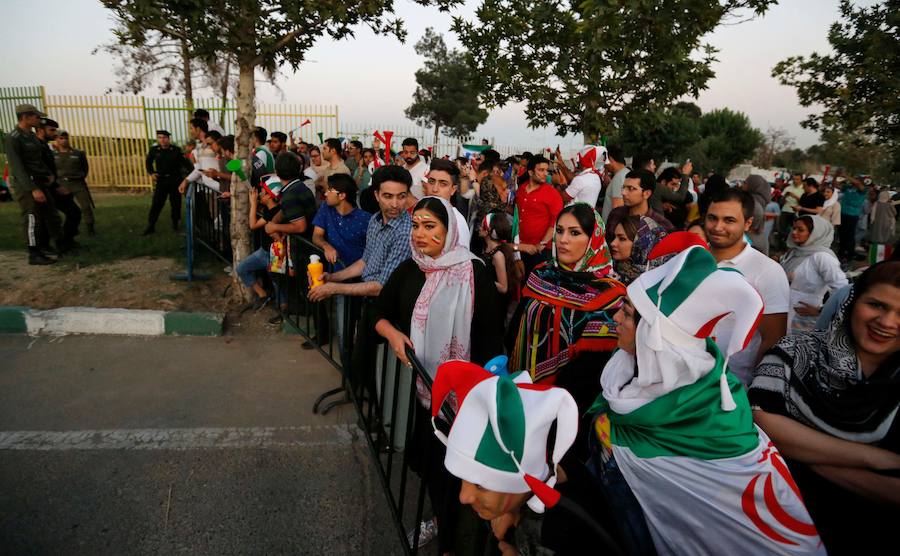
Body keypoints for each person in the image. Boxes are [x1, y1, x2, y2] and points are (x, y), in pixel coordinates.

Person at [590, 240, 823, 555]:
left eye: (628, 313)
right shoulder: (631, 372)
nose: (615, 318)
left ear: (654, 337)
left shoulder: (713, 417)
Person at [373, 196, 501, 556]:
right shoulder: (411, 268)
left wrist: (480, 397)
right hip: (421, 395)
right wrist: (393, 334)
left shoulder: (474, 273)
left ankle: (453, 541)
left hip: (464, 400)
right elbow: (378, 313)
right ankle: (443, 526)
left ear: (451, 231)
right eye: (416, 225)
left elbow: (491, 340)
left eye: (430, 226)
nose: (419, 234)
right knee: (431, 467)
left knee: (456, 475)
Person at [750, 261, 900, 554]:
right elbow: (761, 422)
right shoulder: (795, 352)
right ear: (852, 301)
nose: (887, 322)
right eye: (876, 305)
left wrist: (803, 453)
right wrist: (877, 459)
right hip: (778, 527)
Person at [506, 203, 625, 459]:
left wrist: (549, 404)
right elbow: (515, 328)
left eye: (574, 233)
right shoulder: (541, 275)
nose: (563, 240)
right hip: (520, 392)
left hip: (566, 409)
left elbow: (590, 372)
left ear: (593, 239)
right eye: (559, 231)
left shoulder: (610, 295)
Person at [705, 188, 790, 386]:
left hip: (732, 385)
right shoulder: (692, 259)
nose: (718, 227)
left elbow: (773, 339)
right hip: (683, 378)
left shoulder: (767, 271)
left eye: (729, 220)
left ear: (748, 223)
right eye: (712, 218)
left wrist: (754, 388)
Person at [4, 104, 61, 264]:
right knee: (31, 217)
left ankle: (46, 246)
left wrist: (48, 174)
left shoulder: (31, 136)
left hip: (40, 180)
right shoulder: (13, 138)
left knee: (50, 214)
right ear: (25, 117)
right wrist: (33, 189)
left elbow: (37, 159)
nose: (39, 119)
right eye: (36, 116)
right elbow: (17, 167)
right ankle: (34, 253)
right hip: (27, 184)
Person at [780, 215, 848, 332]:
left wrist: (821, 310)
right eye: (794, 228)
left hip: (803, 317)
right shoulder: (794, 252)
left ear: (815, 234)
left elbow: (843, 289)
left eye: (800, 230)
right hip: (783, 310)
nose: (794, 232)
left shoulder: (822, 257)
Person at [235, 176, 283, 310]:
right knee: (241, 269)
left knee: (278, 283)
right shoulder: (269, 208)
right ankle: (263, 294)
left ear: (269, 196)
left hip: (273, 255)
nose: (260, 193)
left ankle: (282, 308)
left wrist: (253, 204)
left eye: (263, 192)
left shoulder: (275, 211)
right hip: (263, 251)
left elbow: (253, 225)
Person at [513, 155, 564, 277]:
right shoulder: (521, 190)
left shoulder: (552, 194)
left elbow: (556, 221)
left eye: (546, 170)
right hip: (520, 248)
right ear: (530, 172)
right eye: (541, 170)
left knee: (538, 283)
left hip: (540, 251)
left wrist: (542, 244)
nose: (545, 173)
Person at [35, 118, 81, 250]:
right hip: (42, 187)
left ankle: (67, 240)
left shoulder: (45, 145)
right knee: (46, 218)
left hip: (52, 186)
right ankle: (44, 246)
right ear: (41, 130)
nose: (55, 133)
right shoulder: (35, 146)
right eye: (51, 130)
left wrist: (56, 185)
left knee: (74, 212)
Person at [479, 211, 523, 330]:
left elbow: (503, 287)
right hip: (488, 300)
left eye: (482, 225)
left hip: (494, 306)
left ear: (488, 231)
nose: (479, 228)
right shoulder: (487, 248)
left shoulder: (498, 255)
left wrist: (482, 280)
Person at [604, 169, 673, 244]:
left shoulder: (661, 225)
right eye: (623, 187)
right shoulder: (616, 214)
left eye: (631, 188)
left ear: (647, 193)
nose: (623, 192)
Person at [144, 130, 191, 235]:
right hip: (161, 180)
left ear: (168, 139)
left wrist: (189, 175)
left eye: (164, 137)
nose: (162, 140)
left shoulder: (176, 150)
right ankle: (151, 225)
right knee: (157, 203)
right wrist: (151, 173)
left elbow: (186, 164)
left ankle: (175, 225)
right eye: (160, 137)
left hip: (175, 180)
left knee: (175, 203)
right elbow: (148, 162)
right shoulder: (154, 150)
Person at [53, 131, 95, 236]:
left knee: (86, 206)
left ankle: (90, 228)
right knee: (67, 208)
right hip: (61, 183)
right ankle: (70, 228)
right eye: (61, 138)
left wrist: (80, 177)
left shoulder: (78, 153)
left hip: (77, 183)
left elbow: (85, 168)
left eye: (66, 138)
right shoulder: (53, 154)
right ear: (56, 139)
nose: (64, 140)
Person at [422, 158, 471, 247]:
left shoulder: (457, 223)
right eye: (431, 182)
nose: (435, 189)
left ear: (453, 189)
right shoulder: (421, 213)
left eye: (443, 184)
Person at [608, 215, 670, 285]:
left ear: (641, 243)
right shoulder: (610, 269)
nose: (613, 243)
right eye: (614, 237)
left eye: (622, 239)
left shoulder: (663, 278)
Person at [837, 175, 867, 262]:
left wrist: (844, 175)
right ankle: (841, 252)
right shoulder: (848, 187)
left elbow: (857, 183)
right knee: (842, 234)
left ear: (860, 181)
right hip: (842, 213)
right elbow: (835, 185)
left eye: (856, 179)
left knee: (849, 235)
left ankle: (850, 254)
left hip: (852, 215)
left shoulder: (863, 189)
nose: (854, 181)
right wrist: (836, 175)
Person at [743, 174, 772, 255]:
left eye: (745, 183)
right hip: (758, 239)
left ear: (753, 185)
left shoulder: (752, 202)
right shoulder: (760, 200)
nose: (743, 185)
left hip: (751, 241)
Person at [777, 172, 805, 248]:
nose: (795, 181)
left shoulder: (803, 189)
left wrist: (795, 196)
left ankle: (791, 246)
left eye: (797, 179)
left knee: (794, 230)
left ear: (801, 180)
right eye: (794, 179)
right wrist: (784, 198)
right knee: (781, 230)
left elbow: (804, 202)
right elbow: (780, 200)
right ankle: (781, 246)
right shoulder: (788, 188)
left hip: (795, 213)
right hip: (785, 210)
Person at [600, 144, 628, 222]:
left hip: (611, 226)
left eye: (604, 161)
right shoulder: (624, 173)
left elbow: (618, 208)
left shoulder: (619, 177)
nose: (604, 165)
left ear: (610, 159)